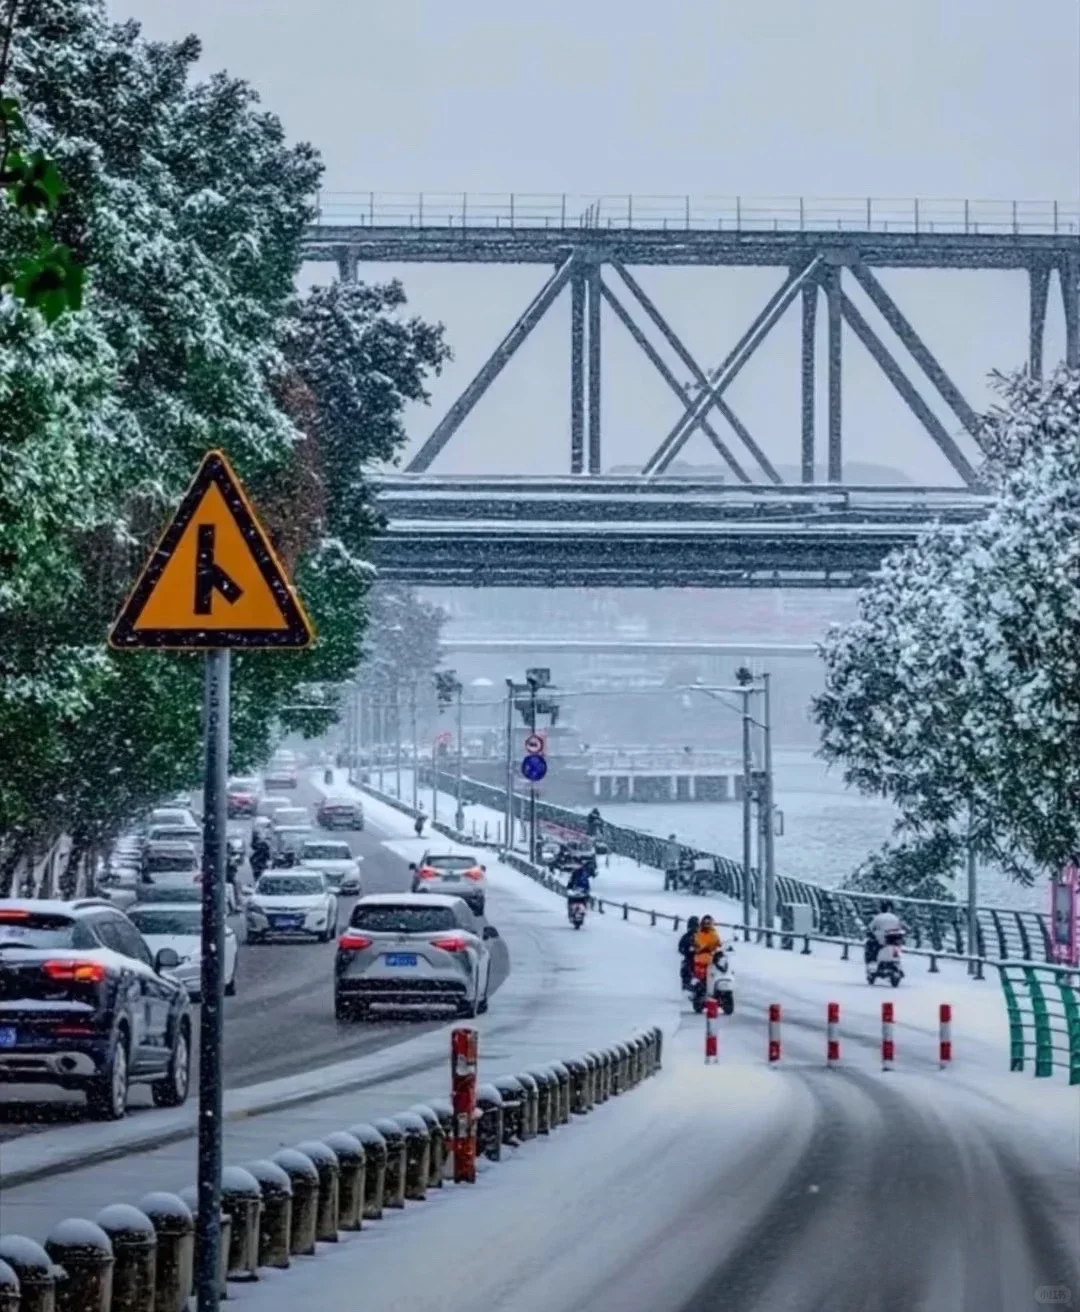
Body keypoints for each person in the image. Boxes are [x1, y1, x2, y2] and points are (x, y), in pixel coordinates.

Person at [865, 900, 903, 965]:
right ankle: (897, 961)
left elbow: (871, 928)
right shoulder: (895, 918)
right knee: (897, 945)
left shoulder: (878, 918)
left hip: (880, 943)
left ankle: (872, 961)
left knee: (870, 944)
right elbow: (899, 929)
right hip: (892, 941)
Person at [677, 915, 700, 989]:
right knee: (685, 966)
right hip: (690, 958)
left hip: (703, 957)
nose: (694, 928)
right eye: (693, 925)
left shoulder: (702, 936)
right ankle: (687, 985)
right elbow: (680, 947)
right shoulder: (686, 936)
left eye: (696, 925)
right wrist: (688, 950)